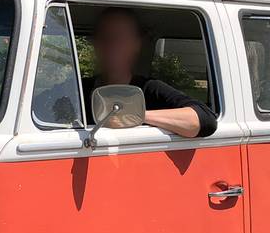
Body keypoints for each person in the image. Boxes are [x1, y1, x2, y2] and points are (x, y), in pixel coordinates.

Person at [82, 8, 217, 138]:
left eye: (120, 38)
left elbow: (205, 119)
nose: (112, 45)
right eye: (105, 37)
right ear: (95, 43)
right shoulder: (80, 90)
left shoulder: (150, 89)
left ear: (136, 45)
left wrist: (136, 115)